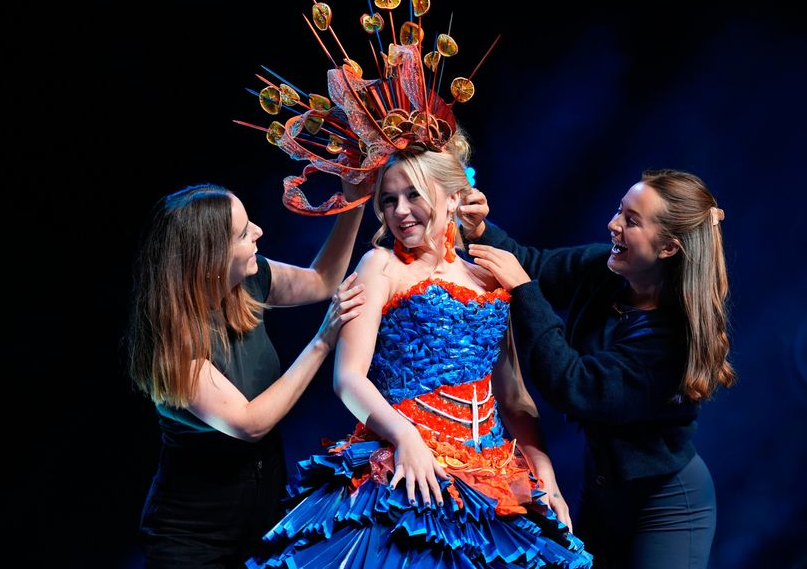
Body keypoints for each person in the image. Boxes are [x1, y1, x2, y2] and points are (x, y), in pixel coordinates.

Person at [246, 138, 594, 568]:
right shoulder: (380, 266)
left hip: (490, 475)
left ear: (453, 198)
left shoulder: (490, 275)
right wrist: (406, 437)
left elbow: (514, 397)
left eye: (414, 194)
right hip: (406, 465)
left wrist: (547, 477)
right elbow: (348, 378)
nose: (400, 210)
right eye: (389, 200)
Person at [460, 169, 736, 568]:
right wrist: (480, 228)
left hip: (666, 504)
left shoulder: (671, 338)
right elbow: (533, 266)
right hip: (606, 494)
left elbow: (576, 386)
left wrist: (523, 291)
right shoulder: (607, 270)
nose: (614, 224)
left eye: (631, 220)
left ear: (668, 249)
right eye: (619, 211)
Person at [127, 182, 367, 568]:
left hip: (261, 519)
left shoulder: (248, 280)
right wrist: (323, 340)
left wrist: (356, 198)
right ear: (210, 260)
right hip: (194, 541)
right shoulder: (171, 346)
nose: (258, 231)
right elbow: (250, 423)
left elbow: (324, 278)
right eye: (242, 233)